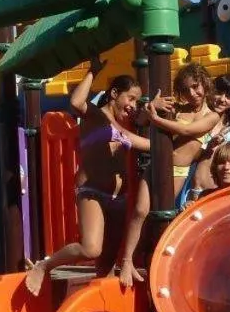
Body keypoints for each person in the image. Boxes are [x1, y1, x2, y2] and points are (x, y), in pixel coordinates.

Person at [25, 58, 150, 296]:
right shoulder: (95, 115)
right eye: (130, 98)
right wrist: (93, 71)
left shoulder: (127, 125)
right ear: (114, 94)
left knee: (106, 263)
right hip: (93, 191)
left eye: (137, 101)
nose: (133, 105)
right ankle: (45, 265)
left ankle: (98, 308)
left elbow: (150, 142)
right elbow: (75, 101)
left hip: (119, 198)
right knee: (91, 248)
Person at [144, 63, 219, 203]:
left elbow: (186, 130)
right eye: (185, 90)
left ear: (205, 83)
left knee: (162, 209)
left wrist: (155, 119)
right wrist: (152, 105)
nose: (191, 93)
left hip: (179, 170)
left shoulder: (212, 116)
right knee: (140, 210)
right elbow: (141, 121)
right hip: (158, 161)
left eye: (195, 86)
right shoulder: (177, 109)